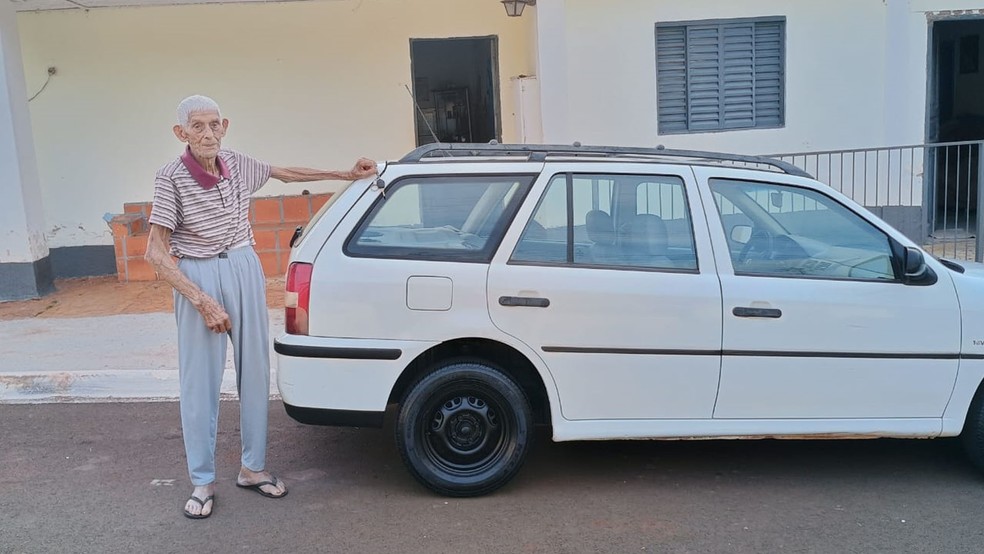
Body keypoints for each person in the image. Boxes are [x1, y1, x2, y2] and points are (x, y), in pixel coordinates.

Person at [145, 94, 377, 519]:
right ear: (181, 133)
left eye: (215, 124)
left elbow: (283, 173)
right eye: (197, 126)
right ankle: (202, 480)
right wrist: (201, 301)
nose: (208, 133)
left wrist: (345, 173)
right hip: (198, 273)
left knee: (255, 371)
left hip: (243, 266)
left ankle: (252, 469)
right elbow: (156, 254)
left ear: (225, 126)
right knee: (200, 383)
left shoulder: (236, 162)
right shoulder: (170, 177)